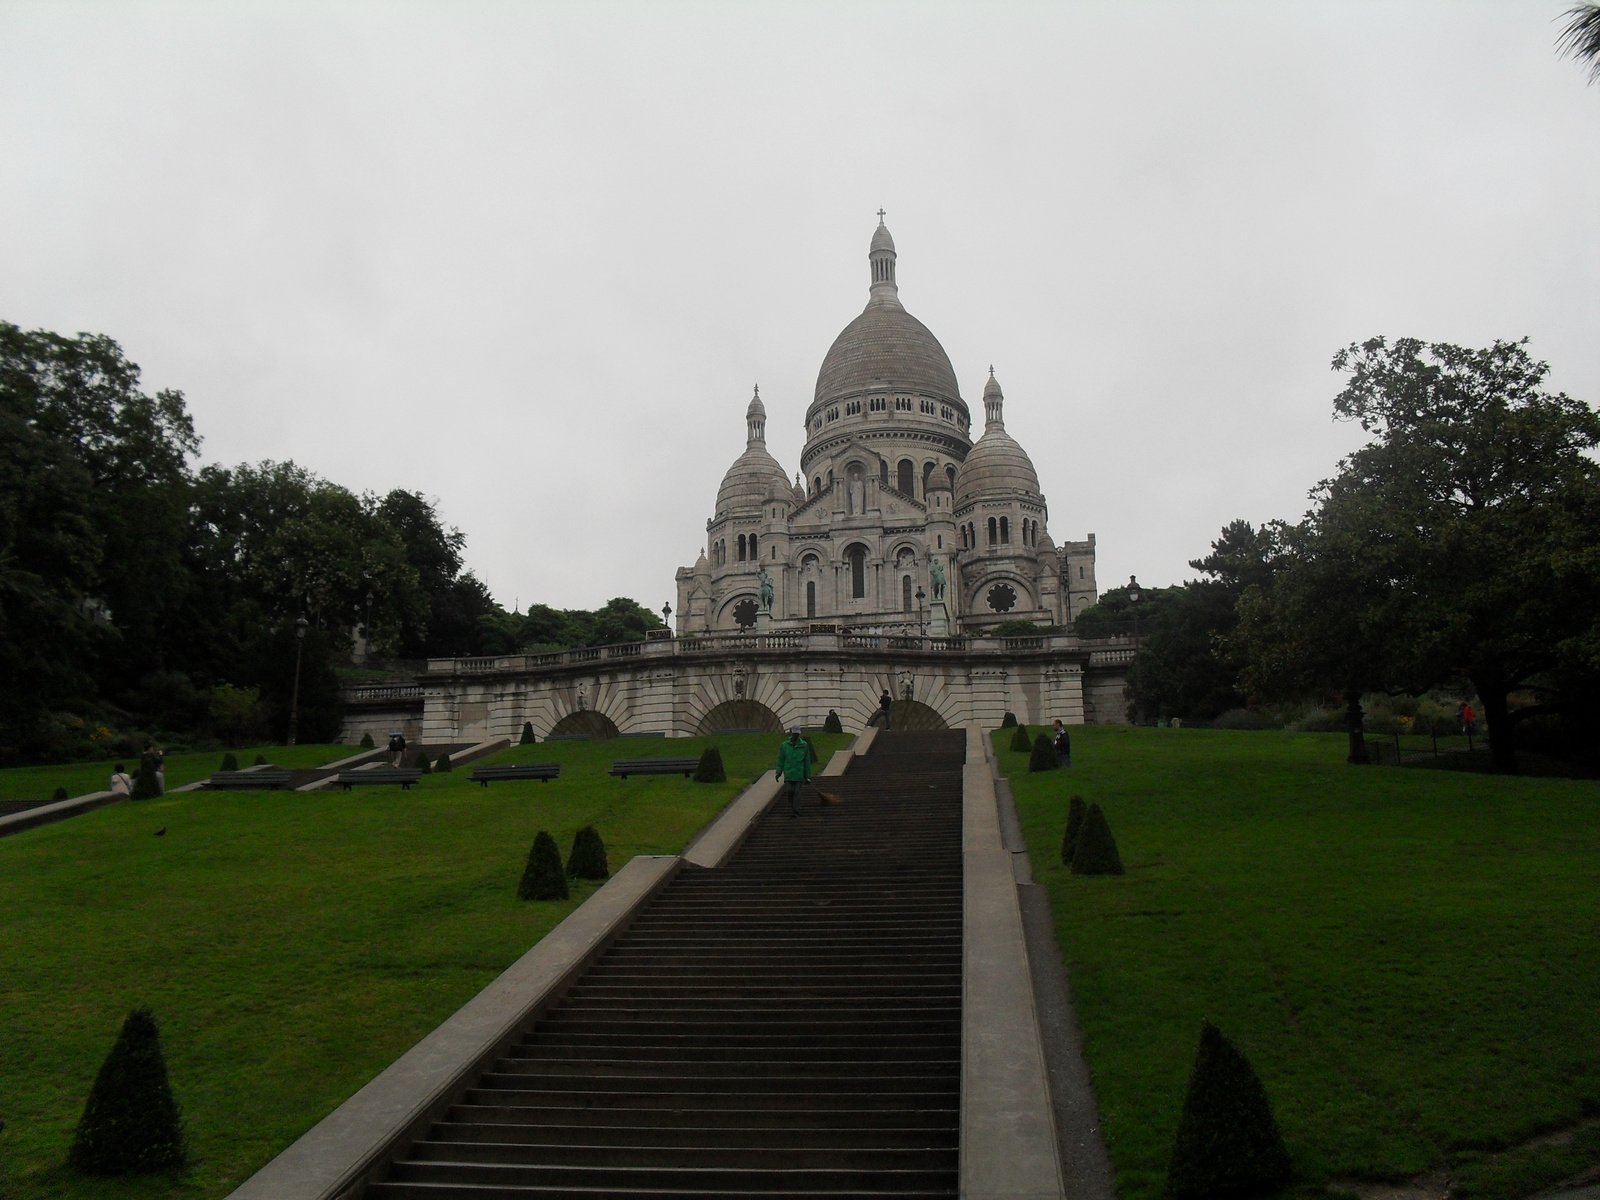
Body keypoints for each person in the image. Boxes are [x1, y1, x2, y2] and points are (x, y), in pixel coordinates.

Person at [774, 726, 812, 817]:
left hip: (799, 774)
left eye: (797, 734)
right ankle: (793, 807)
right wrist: (778, 773)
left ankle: (796, 811)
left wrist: (808, 776)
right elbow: (781, 760)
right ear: (791, 733)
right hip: (789, 773)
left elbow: (807, 761)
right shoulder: (785, 745)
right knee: (789, 791)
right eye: (794, 734)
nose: (795, 735)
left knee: (797, 793)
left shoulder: (804, 745)